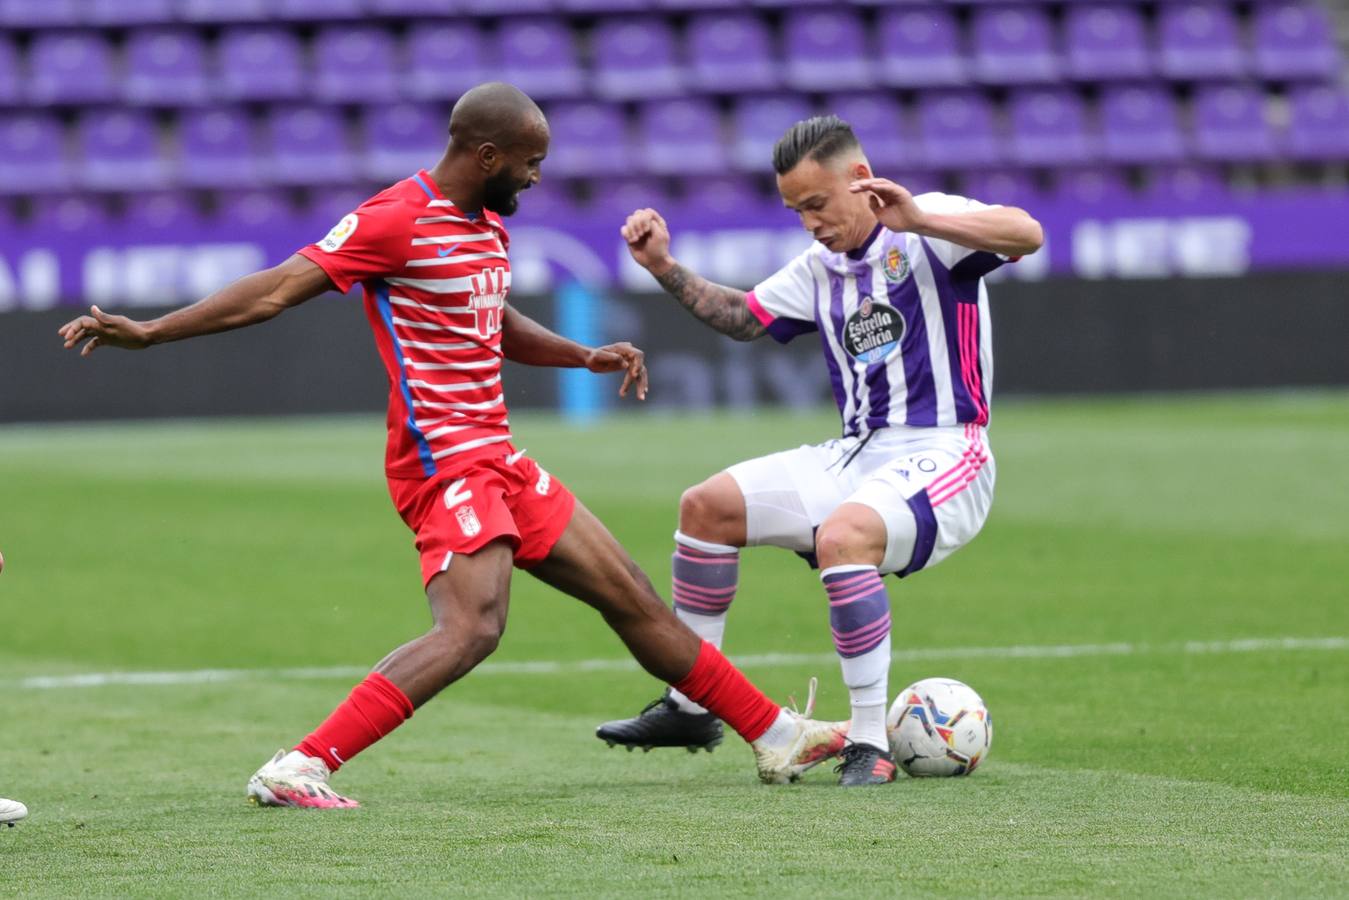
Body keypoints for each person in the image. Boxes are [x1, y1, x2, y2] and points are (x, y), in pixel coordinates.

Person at [58, 84, 846, 808]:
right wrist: (153, 331)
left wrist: (582, 354)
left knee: (629, 594)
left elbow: (492, 323)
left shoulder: (487, 226)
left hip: (498, 456)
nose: (537, 178)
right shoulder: (393, 219)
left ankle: (775, 736)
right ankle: (299, 764)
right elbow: (273, 288)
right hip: (441, 463)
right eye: (531, 163)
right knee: (472, 628)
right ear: (487, 156)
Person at [596, 115, 1043, 786]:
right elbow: (744, 318)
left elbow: (1026, 233)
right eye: (795, 209)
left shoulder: (931, 227)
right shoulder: (820, 266)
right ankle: (692, 706)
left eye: (815, 204)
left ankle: (868, 743)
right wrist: (662, 266)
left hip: (947, 449)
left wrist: (920, 219)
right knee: (705, 508)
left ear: (860, 182)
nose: (808, 221)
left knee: (843, 537)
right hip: (856, 452)